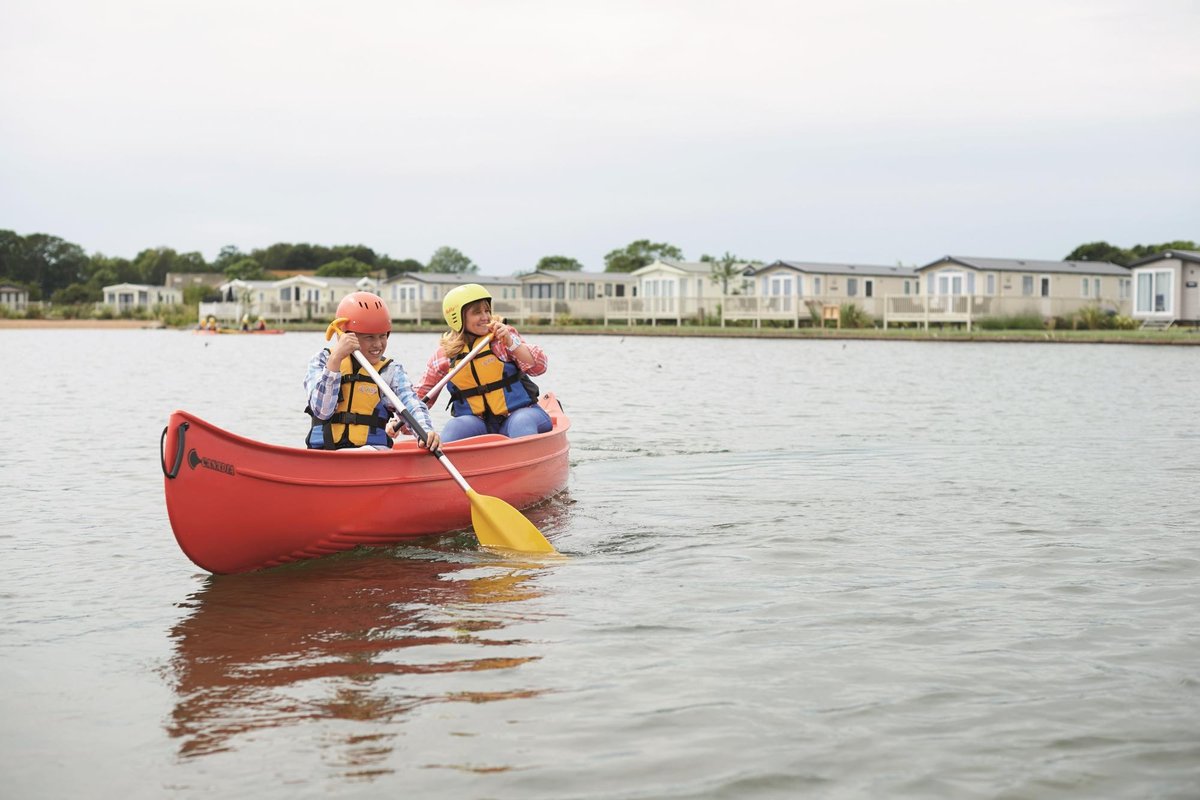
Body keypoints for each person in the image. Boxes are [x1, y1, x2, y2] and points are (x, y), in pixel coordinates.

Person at [304, 292, 441, 452]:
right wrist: (335, 361)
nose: (378, 344)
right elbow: (322, 411)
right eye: (369, 337)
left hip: (372, 452)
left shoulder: (390, 371)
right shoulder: (321, 361)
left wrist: (425, 431)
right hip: (325, 453)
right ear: (346, 336)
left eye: (383, 336)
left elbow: (411, 404)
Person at [414, 283, 551, 443]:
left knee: (521, 422)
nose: (485, 317)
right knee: (455, 426)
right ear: (457, 317)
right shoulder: (445, 355)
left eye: (487, 310)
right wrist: (400, 420)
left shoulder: (502, 338)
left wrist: (512, 344)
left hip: (520, 413)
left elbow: (540, 366)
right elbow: (422, 395)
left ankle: (526, 462)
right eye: (477, 312)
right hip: (477, 424)